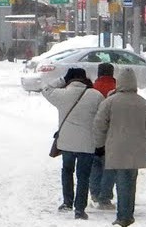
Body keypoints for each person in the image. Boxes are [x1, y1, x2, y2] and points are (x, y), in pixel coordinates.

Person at [92, 68, 146, 227]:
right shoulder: (143, 103)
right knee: (130, 182)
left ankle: (123, 216)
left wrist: (99, 145)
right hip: (136, 150)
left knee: (121, 182)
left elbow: (99, 125)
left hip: (116, 148)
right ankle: (128, 214)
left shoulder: (110, 102)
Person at [44, 67, 102, 219]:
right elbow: (102, 117)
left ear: (69, 78)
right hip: (87, 144)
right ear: (85, 79)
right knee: (84, 176)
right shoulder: (95, 95)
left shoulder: (61, 94)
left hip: (67, 143)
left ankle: (67, 202)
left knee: (67, 171)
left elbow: (45, 88)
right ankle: (80, 209)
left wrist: (62, 80)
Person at [88, 63, 118, 211]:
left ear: (99, 73)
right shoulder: (117, 91)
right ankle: (105, 197)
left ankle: (94, 193)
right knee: (109, 167)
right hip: (112, 134)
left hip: (92, 134)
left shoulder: (91, 90)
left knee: (95, 165)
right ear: (112, 74)